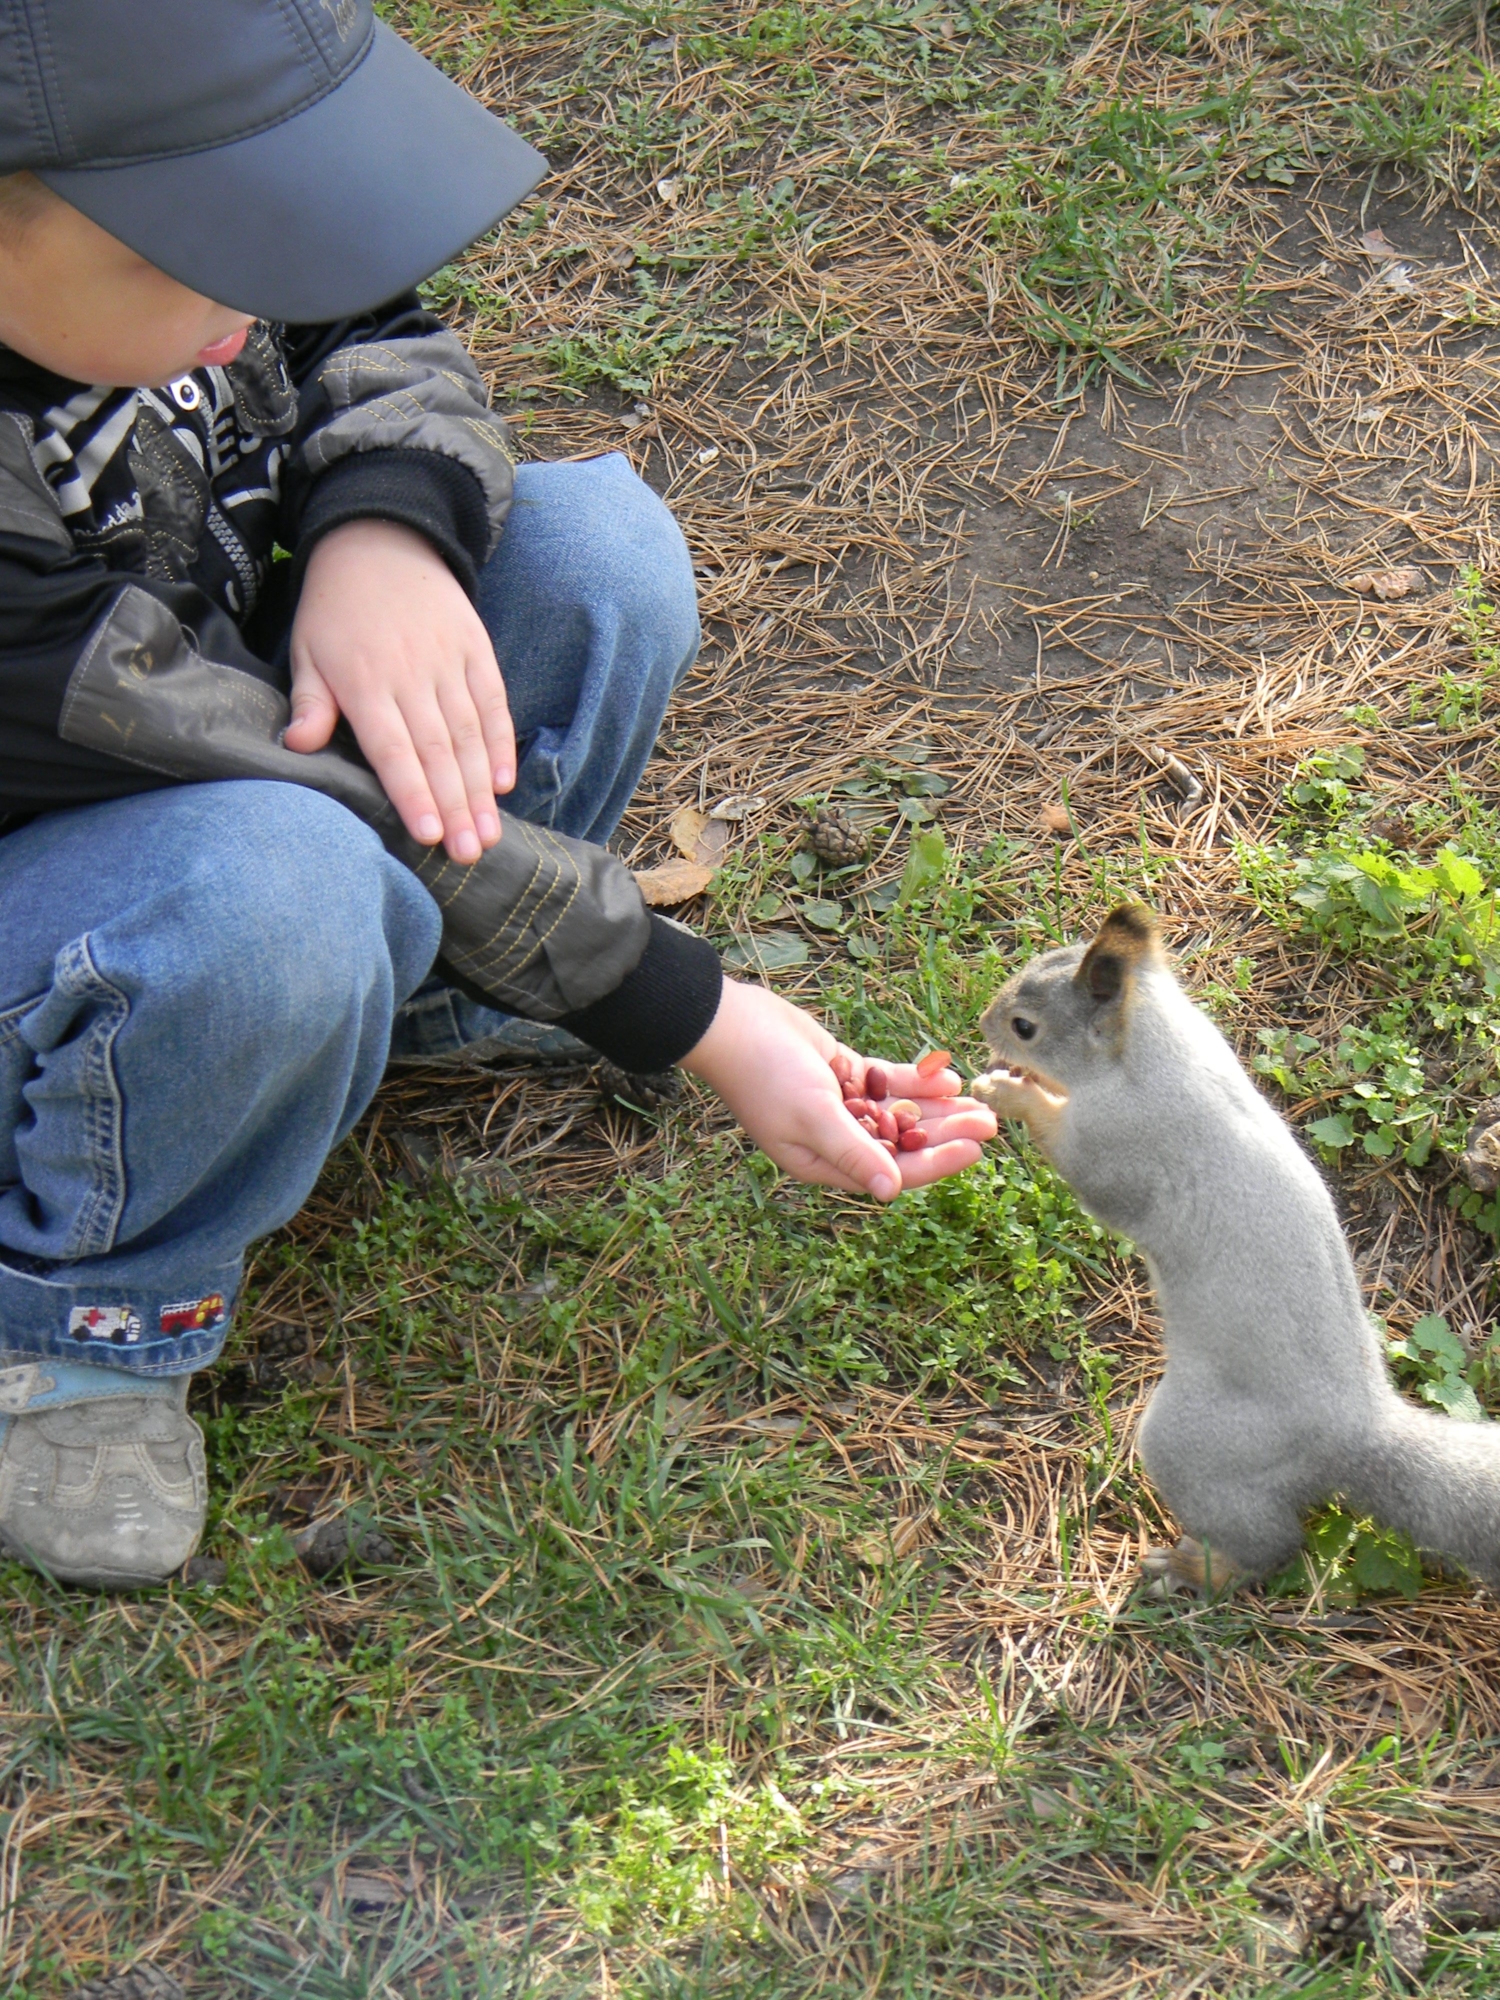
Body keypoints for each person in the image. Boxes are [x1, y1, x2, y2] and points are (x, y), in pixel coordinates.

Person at [0, 0, 997, 1590]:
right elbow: (275, 778)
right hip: (101, 889)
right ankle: (89, 1323)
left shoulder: (173, 262)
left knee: (599, 556)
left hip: (245, 765)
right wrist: (690, 1010)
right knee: (284, 890)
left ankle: (432, 995)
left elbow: (373, 331)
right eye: (190, 252)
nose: (249, 289)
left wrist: (377, 536)